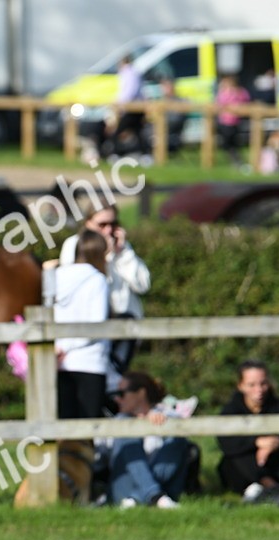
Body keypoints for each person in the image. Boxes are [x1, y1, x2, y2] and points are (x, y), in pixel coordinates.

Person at [59, 202, 150, 383]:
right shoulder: (74, 245)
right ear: (88, 223)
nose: (108, 230)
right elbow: (77, 288)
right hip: (89, 340)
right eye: (102, 225)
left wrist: (123, 254)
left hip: (121, 334)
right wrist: (105, 257)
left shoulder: (123, 249)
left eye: (113, 224)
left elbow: (143, 284)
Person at [49, 230, 109, 420]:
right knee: (87, 428)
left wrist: (59, 347)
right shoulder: (98, 280)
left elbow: (47, 314)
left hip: (59, 361)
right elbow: (96, 324)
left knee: (64, 427)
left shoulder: (55, 276)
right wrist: (67, 347)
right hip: (90, 362)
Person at [217, 360, 279, 501]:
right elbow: (226, 443)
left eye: (263, 384)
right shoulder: (230, 411)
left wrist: (278, 441)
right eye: (251, 385)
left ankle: (264, 489)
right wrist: (257, 442)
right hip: (242, 468)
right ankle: (268, 486)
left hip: (275, 463)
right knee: (234, 456)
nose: (258, 390)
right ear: (240, 386)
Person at [107, 371, 188, 508]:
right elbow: (102, 453)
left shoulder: (165, 414)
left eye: (122, 394)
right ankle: (155, 496)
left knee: (177, 438)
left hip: (157, 485)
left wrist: (156, 420)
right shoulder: (117, 420)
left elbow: (179, 424)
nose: (117, 399)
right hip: (125, 486)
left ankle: (138, 497)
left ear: (141, 393)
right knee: (125, 432)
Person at [215, 74, 252, 167]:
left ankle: (235, 158)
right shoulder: (223, 93)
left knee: (234, 142)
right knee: (228, 142)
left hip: (235, 121)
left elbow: (246, 101)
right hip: (225, 122)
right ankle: (233, 157)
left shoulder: (240, 92)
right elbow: (219, 103)